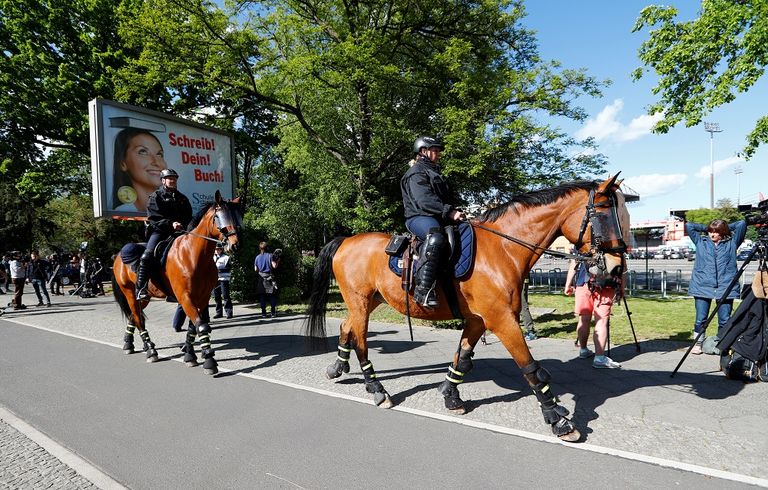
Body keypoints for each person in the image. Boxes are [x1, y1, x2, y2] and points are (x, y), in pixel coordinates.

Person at [400, 136, 465, 307]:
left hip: (437, 216)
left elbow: (444, 198)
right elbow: (424, 201)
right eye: (435, 151)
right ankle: (423, 290)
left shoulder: (435, 172)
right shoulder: (415, 173)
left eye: (438, 151)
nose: (438, 154)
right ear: (423, 151)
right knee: (436, 237)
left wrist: (456, 211)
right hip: (418, 217)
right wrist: (449, 212)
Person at [685, 218, 747, 355]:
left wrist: (723, 227)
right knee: (700, 318)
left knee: (724, 319)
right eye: (711, 231)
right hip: (702, 286)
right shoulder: (701, 241)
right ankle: (698, 343)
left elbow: (741, 224)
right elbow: (689, 225)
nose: (712, 234)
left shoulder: (732, 243)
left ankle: (721, 344)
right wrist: (709, 227)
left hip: (726, 286)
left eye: (716, 232)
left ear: (723, 232)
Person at [135, 168, 192, 300]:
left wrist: (187, 227)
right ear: (163, 181)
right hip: (160, 231)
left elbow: (188, 217)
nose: (172, 180)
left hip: (180, 232)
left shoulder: (182, 198)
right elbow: (154, 219)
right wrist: (170, 224)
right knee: (147, 256)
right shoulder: (156, 196)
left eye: (174, 178)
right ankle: (141, 288)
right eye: (169, 178)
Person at [564, 255, 621, 369]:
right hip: (606, 284)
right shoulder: (612, 242)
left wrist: (568, 284)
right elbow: (622, 267)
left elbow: (574, 263)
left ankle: (583, 350)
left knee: (584, 318)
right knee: (601, 321)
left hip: (583, 282)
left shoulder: (582, 242)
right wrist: (622, 288)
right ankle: (599, 358)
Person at [111, 128, 167, 213]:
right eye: (143, 152)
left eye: (159, 154)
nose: (156, 162)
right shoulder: (123, 211)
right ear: (123, 163)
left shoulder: (172, 207)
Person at [253, 242, 281, 318]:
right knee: (272, 295)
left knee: (262, 296)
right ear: (267, 248)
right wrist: (277, 261)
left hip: (261, 278)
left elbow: (256, 269)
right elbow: (274, 266)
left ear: (260, 248)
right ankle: (273, 313)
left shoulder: (257, 257)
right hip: (269, 278)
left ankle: (263, 313)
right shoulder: (270, 256)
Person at [212, 245, 233, 319]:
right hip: (215, 280)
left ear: (221, 249)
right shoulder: (212, 257)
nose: (217, 250)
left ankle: (229, 312)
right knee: (217, 297)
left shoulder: (226, 257)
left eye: (219, 249)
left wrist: (217, 270)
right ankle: (219, 312)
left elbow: (228, 268)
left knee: (225, 296)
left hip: (224, 279)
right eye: (216, 249)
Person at [520, 275, 537, 341]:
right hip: (524, 277)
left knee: (522, 306)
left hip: (520, 278)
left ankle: (531, 331)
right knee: (522, 304)